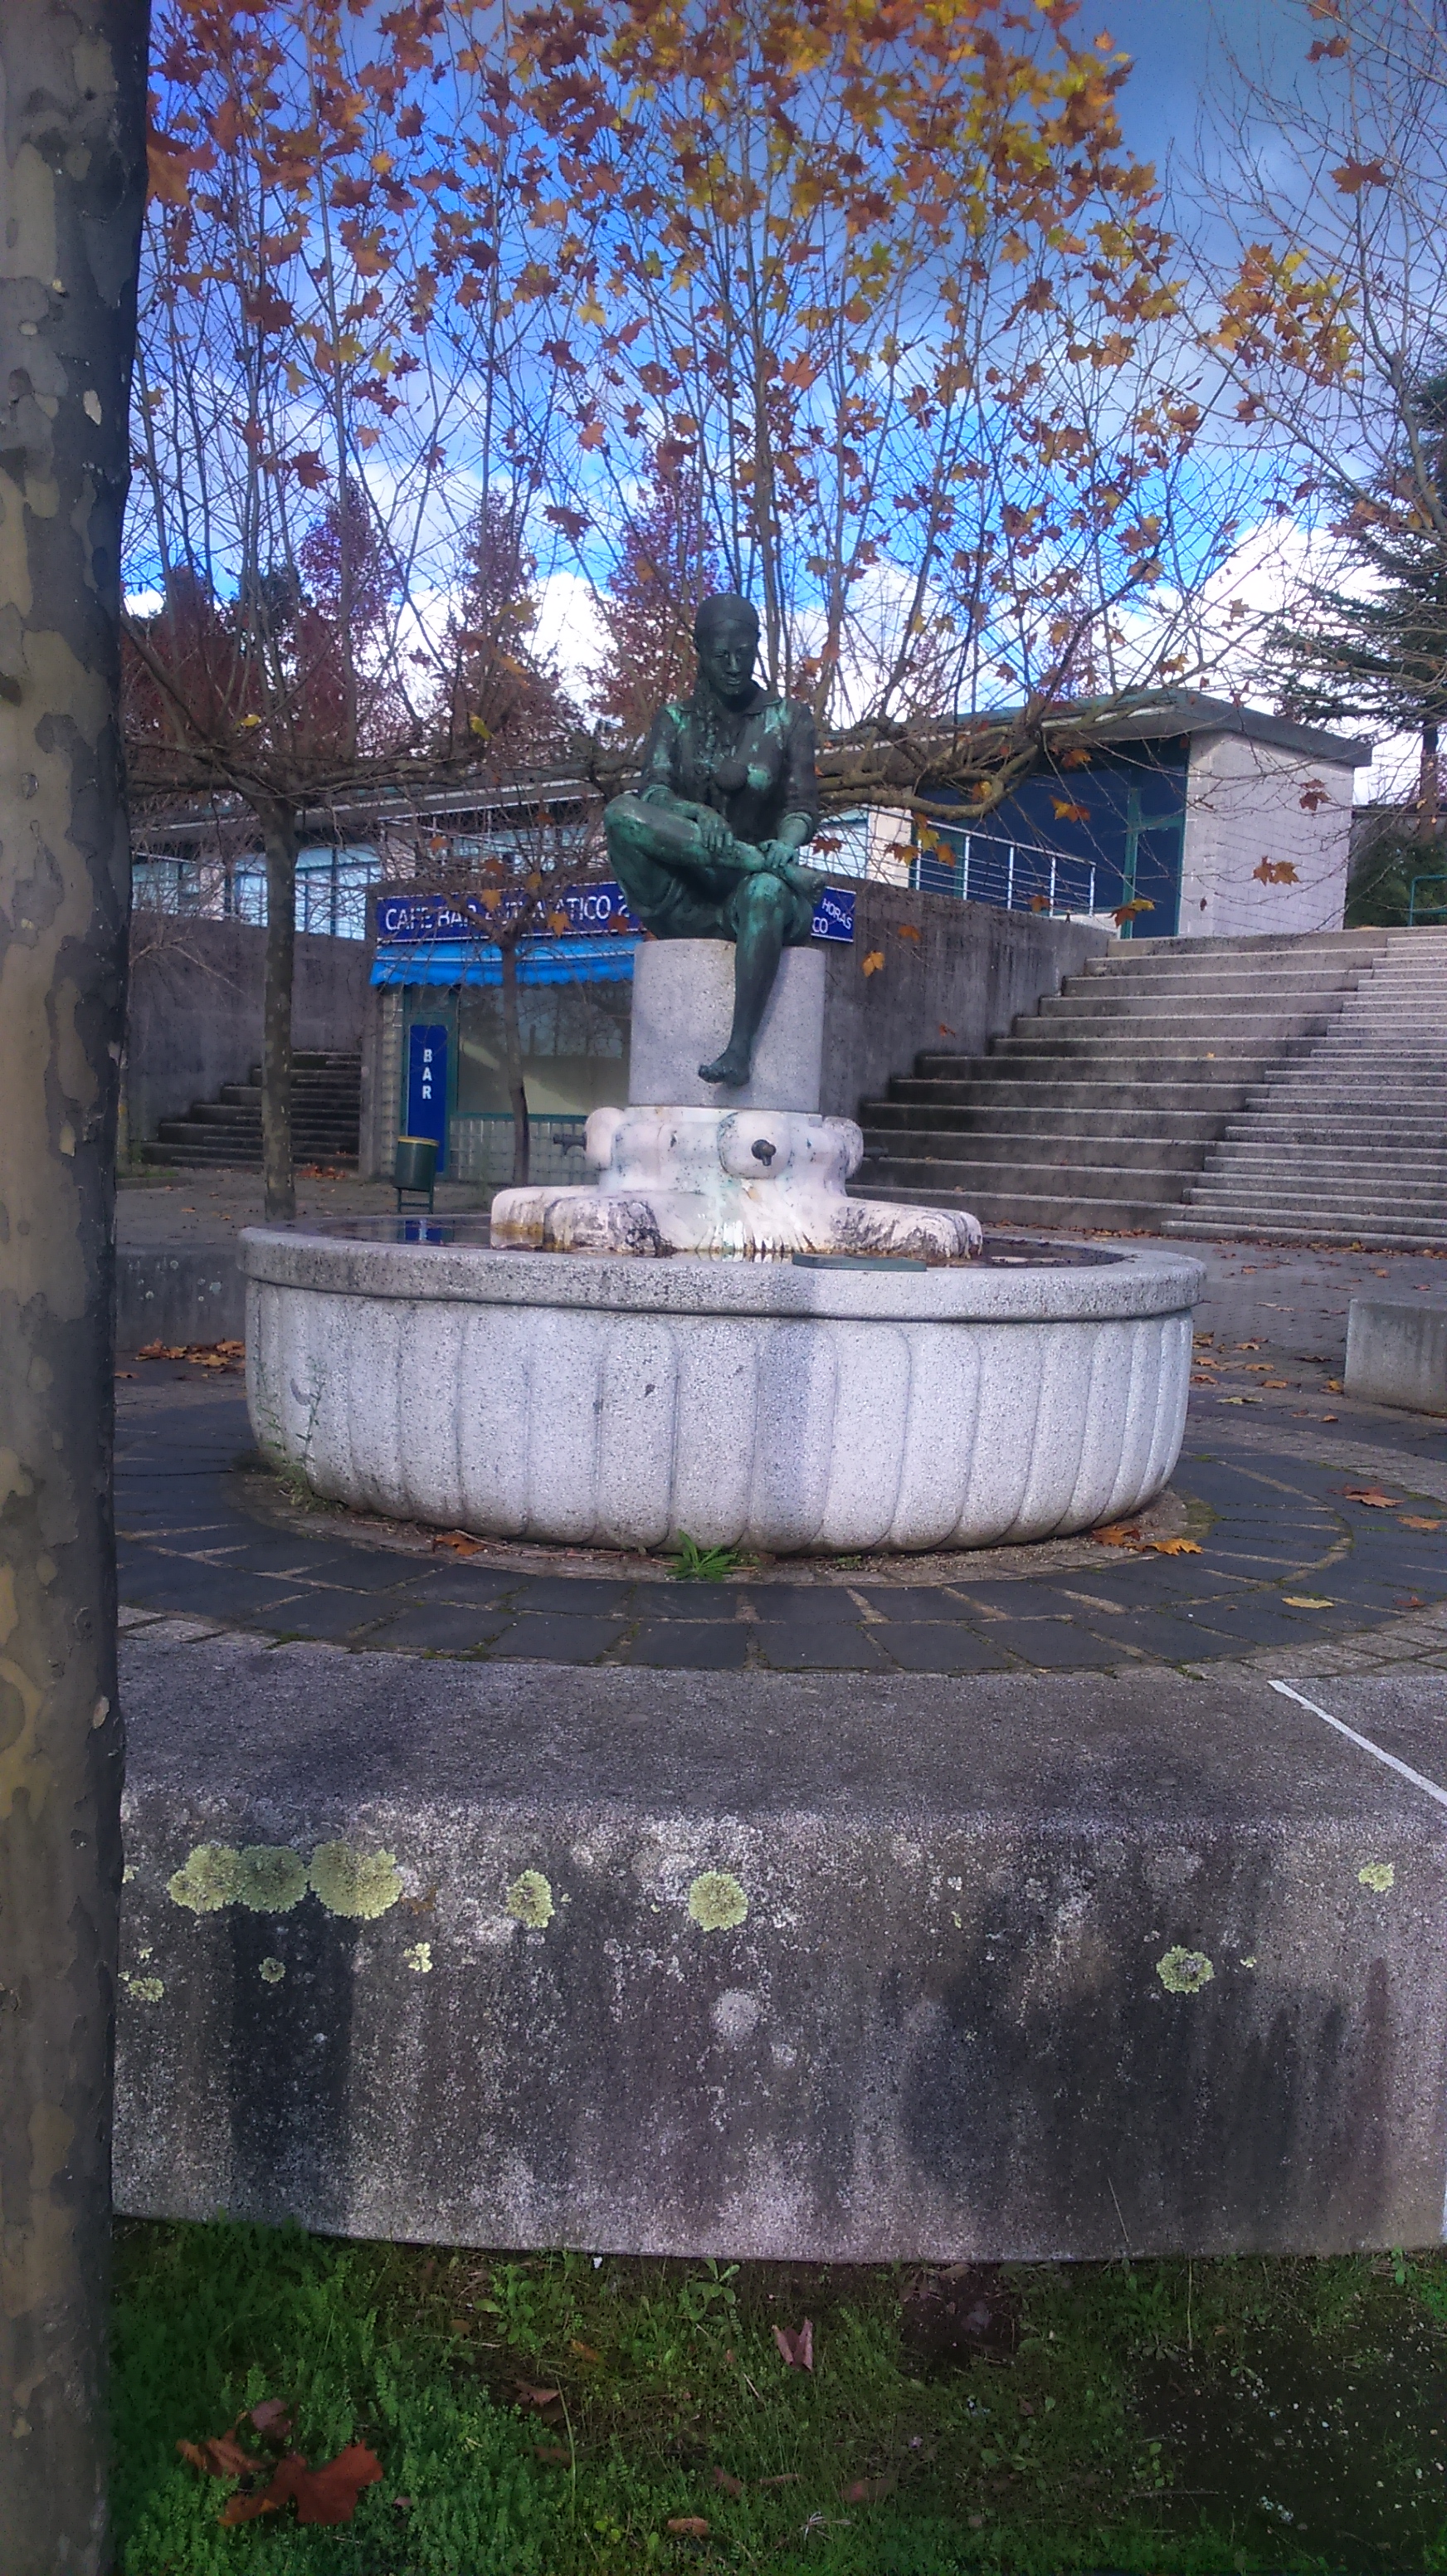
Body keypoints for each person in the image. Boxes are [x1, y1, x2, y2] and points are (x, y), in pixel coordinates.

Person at [604, 593, 824, 1086]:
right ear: (700, 652)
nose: (734, 665)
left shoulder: (789, 718)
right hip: (687, 895)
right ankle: (754, 860)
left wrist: (786, 844)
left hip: (756, 902)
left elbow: (802, 808)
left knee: (766, 891)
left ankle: (739, 1051)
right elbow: (653, 792)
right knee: (620, 813)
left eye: (744, 653)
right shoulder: (674, 719)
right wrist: (697, 812)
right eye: (721, 655)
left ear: (757, 647)